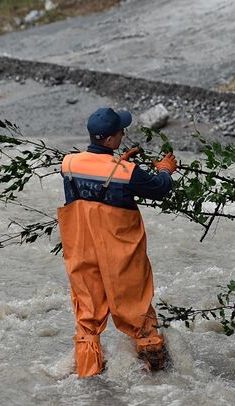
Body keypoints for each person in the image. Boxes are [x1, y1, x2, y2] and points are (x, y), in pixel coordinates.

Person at [57, 107, 178, 377]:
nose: (123, 134)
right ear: (111, 140)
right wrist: (165, 171)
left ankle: (88, 383)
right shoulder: (127, 172)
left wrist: (119, 161)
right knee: (139, 315)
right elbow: (159, 189)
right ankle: (159, 380)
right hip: (120, 254)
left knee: (87, 320)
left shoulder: (68, 164)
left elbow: (95, 192)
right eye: (120, 132)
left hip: (81, 250)